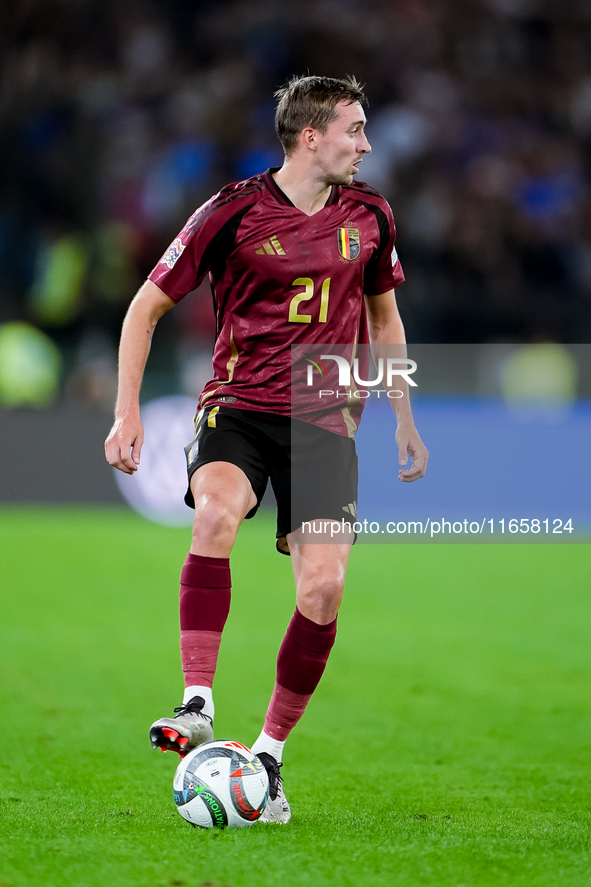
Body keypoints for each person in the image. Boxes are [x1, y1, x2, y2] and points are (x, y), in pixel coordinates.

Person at [105, 74, 428, 824]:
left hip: (324, 422)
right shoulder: (232, 211)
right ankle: (196, 704)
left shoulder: (371, 213)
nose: (366, 143)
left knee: (322, 590)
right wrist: (127, 413)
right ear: (310, 136)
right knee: (215, 514)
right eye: (354, 129)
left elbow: (384, 319)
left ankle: (269, 758)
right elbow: (144, 307)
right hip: (239, 408)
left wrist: (402, 416)